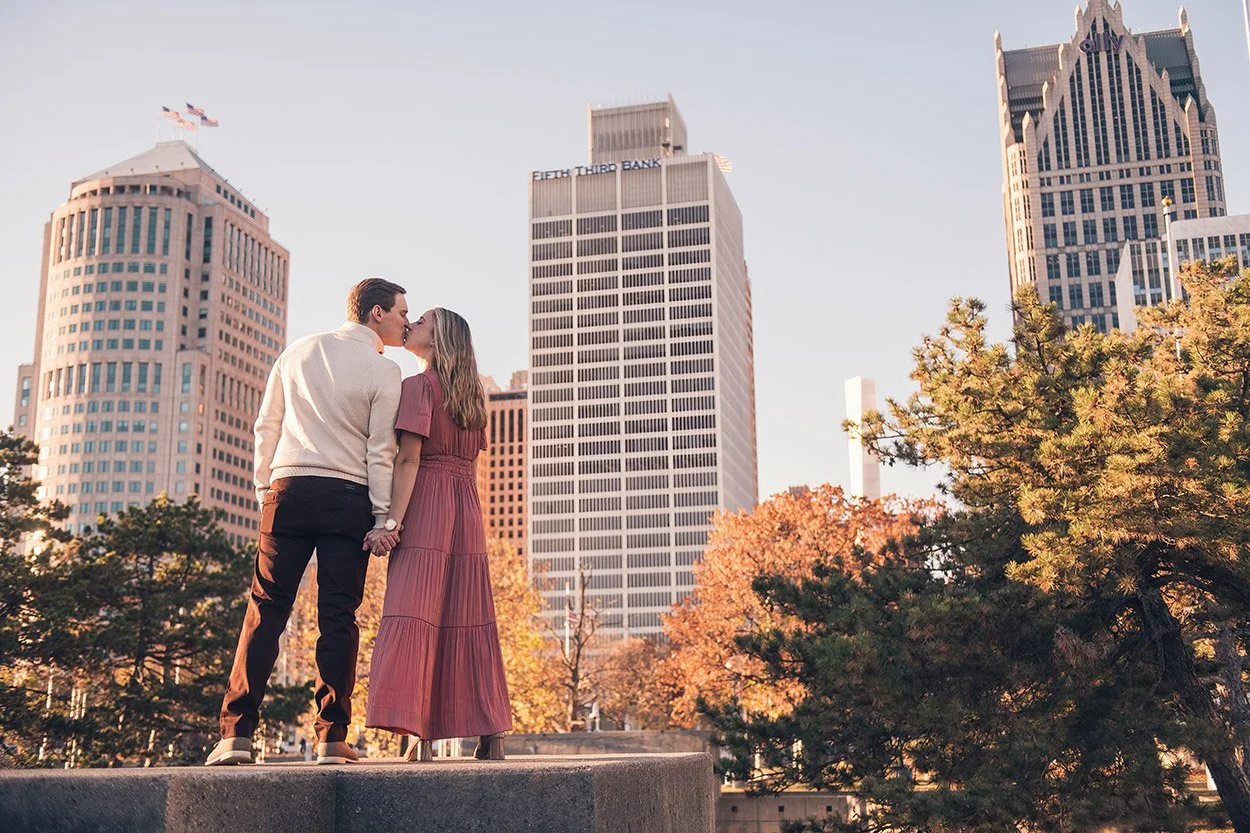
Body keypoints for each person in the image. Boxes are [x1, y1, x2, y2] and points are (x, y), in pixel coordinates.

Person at [205, 278, 409, 767]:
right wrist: (383, 517)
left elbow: (266, 425)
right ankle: (331, 739)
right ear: (377, 313)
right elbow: (380, 451)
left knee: (265, 610)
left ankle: (235, 735)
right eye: (403, 311)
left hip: (288, 491)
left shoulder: (296, 351)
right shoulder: (386, 371)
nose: (407, 320)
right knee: (338, 618)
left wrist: (264, 489)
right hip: (348, 498)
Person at [365, 307, 512, 761]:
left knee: (414, 611)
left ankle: (420, 735)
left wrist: (389, 523)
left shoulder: (419, 387)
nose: (411, 324)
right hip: (466, 507)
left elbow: (409, 460)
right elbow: (470, 463)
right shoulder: (472, 398)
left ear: (438, 339)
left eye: (423, 321)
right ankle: (491, 733)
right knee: (469, 617)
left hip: (427, 500)